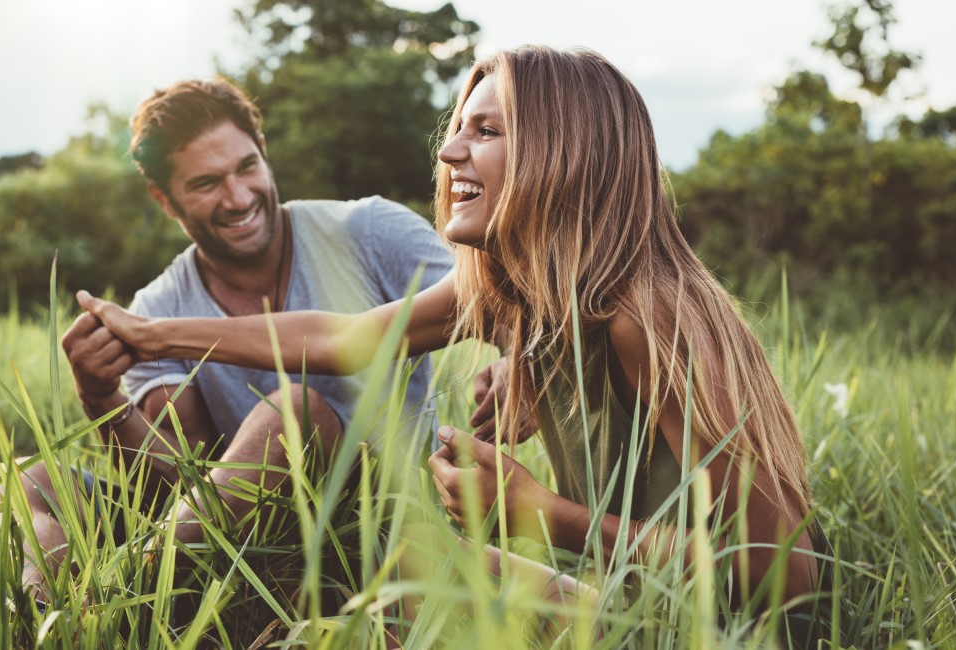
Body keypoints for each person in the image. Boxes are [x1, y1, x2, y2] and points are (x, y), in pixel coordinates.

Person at [78, 45, 826, 631]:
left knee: (407, 584)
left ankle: (112, 608)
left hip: (705, 628)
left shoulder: (647, 315)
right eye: (459, 128)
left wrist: (544, 515)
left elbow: (783, 575)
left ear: (561, 154)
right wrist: (151, 333)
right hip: (629, 594)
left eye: (486, 131)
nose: (448, 153)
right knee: (399, 564)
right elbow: (341, 339)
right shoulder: (523, 294)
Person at [0, 78, 453, 598]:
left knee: (296, 412)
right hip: (229, 541)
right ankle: (29, 612)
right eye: (206, 184)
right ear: (165, 199)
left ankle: (120, 601)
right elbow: (173, 482)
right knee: (19, 480)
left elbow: (496, 304)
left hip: (374, 528)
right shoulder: (156, 305)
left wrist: (510, 361)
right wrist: (100, 397)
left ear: (264, 152)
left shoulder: (370, 230)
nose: (238, 197)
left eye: (247, 167)